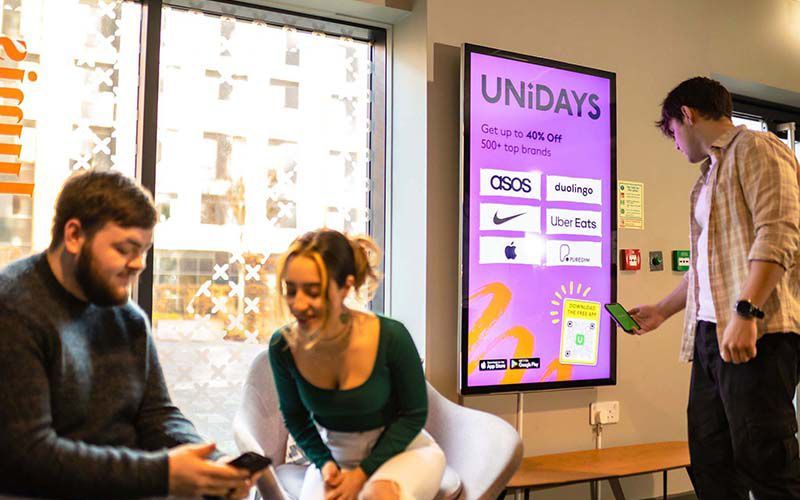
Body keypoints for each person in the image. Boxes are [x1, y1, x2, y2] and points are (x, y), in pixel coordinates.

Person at [0, 170, 256, 499]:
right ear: (75, 235)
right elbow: (28, 455)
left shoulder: (128, 318)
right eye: (125, 249)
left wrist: (212, 465)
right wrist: (162, 474)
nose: (139, 264)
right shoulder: (14, 309)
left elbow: (156, 414)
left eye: (145, 250)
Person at [631, 77, 800, 499]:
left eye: (672, 132)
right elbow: (707, 266)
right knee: (710, 462)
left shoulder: (758, 148)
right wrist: (662, 310)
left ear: (686, 115)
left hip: (758, 333)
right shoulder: (707, 177)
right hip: (710, 337)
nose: (674, 144)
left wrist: (748, 312)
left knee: (765, 462)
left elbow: (778, 231)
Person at [268, 229, 446, 500]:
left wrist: (363, 474)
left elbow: (413, 414)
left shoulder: (391, 336)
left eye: (313, 292)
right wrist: (325, 464)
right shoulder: (283, 346)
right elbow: (296, 417)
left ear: (345, 287)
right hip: (335, 459)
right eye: (291, 290)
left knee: (378, 496)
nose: (298, 304)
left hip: (404, 453)